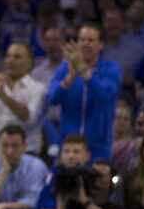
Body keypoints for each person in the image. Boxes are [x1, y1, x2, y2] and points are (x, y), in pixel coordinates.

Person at [49, 23, 121, 161]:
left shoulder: (111, 69)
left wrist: (83, 71)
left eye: (90, 40)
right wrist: (69, 79)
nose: (85, 44)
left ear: (100, 45)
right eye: (82, 40)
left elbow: (105, 95)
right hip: (68, 146)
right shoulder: (65, 68)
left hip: (99, 146)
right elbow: (52, 98)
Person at [0, 43, 46, 154]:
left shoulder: (38, 89)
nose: (10, 60)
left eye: (17, 57)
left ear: (30, 62)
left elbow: (28, 117)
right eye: (8, 56)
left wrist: (3, 96)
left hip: (26, 154)